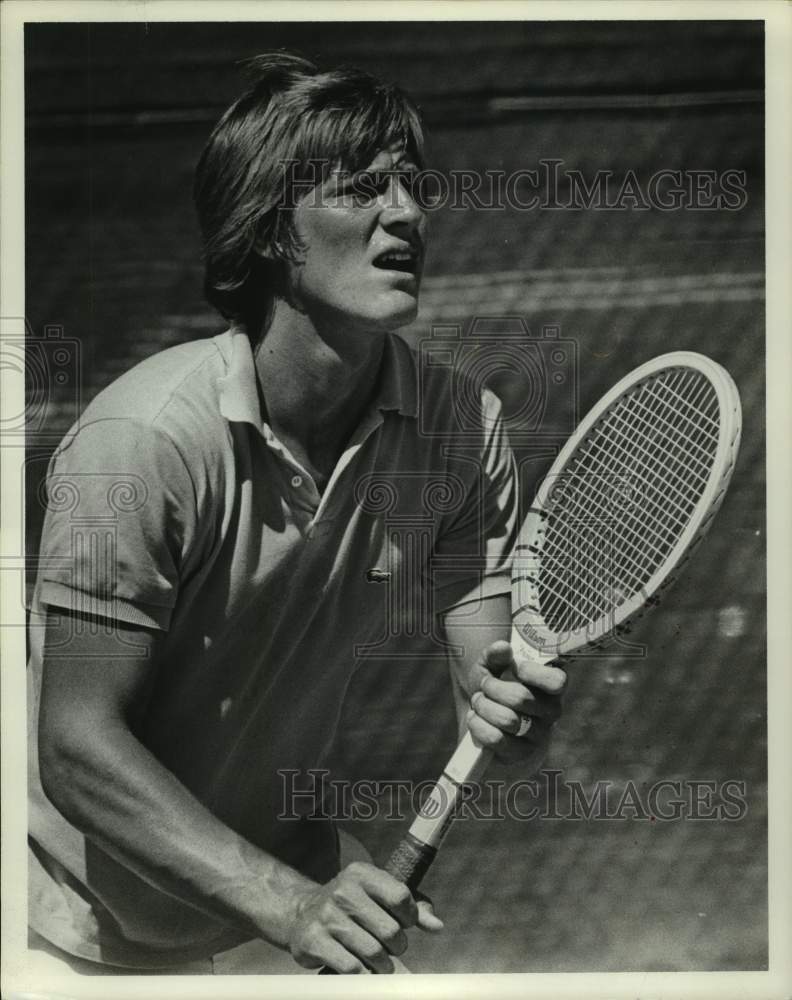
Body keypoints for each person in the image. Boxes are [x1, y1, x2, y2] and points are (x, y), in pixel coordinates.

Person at [27, 52, 566, 976]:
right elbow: (76, 748)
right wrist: (292, 904)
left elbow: (492, 697)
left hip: (261, 898)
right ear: (270, 232)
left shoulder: (458, 430)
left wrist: (516, 711)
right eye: (362, 188)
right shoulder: (142, 439)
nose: (406, 213)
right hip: (60, 927)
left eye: (412, 184)